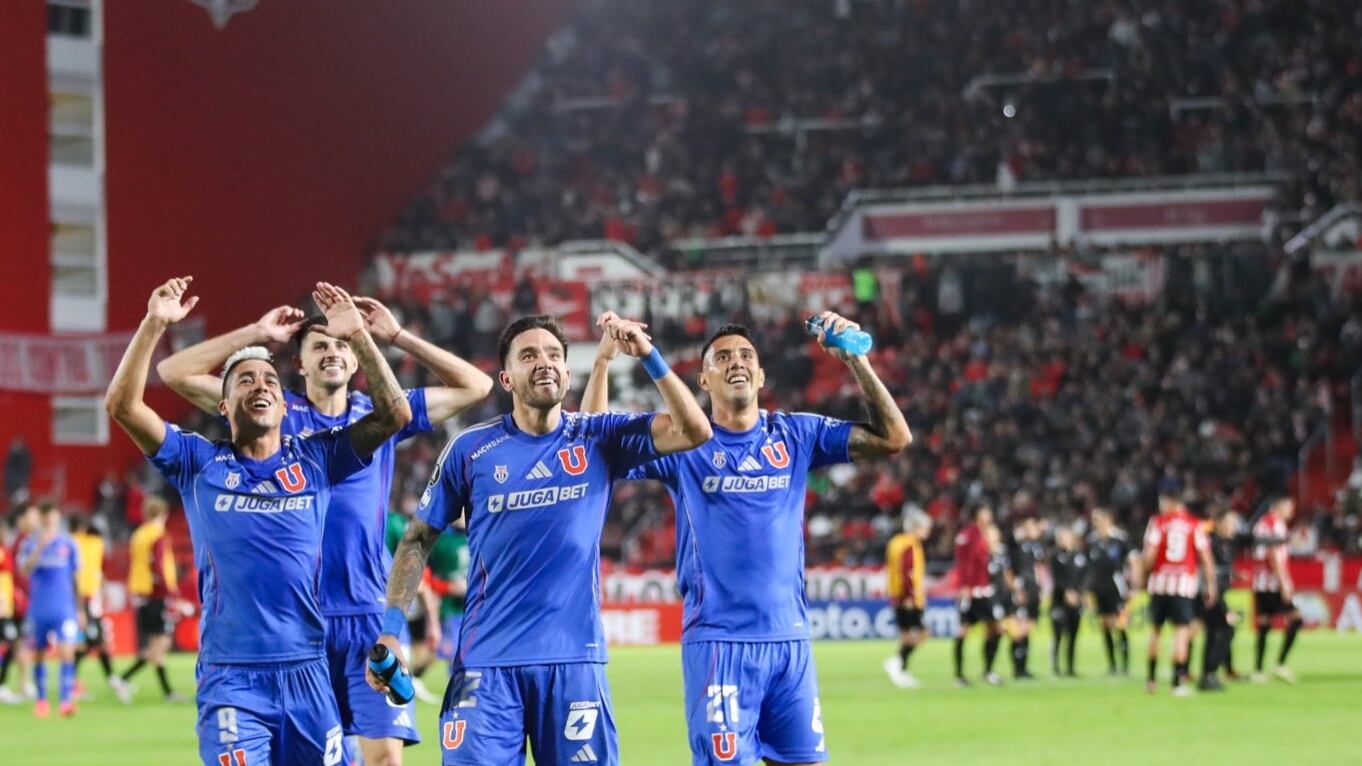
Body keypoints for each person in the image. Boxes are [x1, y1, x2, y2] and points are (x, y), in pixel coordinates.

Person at [158, 294, 492, 765]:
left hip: (365, 614)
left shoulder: (379, 414)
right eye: (320, 346)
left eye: (341, 344)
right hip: (295, 628)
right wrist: (256, 334)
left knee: (385, 759)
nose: (332, 351)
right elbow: (174, 374)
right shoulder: (271, 410)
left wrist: (394, 337)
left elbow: (476, 386)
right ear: (300, 363)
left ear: (356, 357)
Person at [370, 313, 711, 766]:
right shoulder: (471, 450)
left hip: (574, 662)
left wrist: (648, 354)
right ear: (506, 378)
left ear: (569, 373)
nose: (544, 362)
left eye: (554, 354)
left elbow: (694, 430)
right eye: (528, 355)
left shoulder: (597, 438)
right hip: (486, 664)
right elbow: (417, 540)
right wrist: (392, 632)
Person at [105, 276, 411, 765]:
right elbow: (122, 406)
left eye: (270, 380)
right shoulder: (197, 462)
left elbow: (394, 415)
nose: (261, 385)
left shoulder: (317, 460)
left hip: (309, 671)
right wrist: (152, 325)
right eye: (245, 380)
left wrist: (360, 337)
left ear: (283, 402)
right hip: (233, 676)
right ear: (224, 407)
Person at [585, 313, 909, 764]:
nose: (735, 362)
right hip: (719, 644)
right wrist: (602, 363)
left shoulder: (796, 434)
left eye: (745, 356)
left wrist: (857, 362)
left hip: (790, 643)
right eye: (722, 357)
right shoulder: (683, 444)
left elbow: (894, 437)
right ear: (703, 378)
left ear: (760, 375)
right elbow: (592, 444)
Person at [1141, 478, 1217, 696]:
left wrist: (1145, 577)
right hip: (1183, 586)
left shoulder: (1157, 523)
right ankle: (1177, 682)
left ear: (1169, 500)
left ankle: (1151, 681)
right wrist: (1211, 584)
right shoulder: (1194, 524)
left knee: (1155, 632)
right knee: (1180, 634)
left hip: (1159, 584)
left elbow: (1149, 556)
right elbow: (1206, 557)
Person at [117, 495, 185, 703]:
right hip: (157, 595)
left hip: (142, 593)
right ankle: (123, 678)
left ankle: (167, 692)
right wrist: (170, 592)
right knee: (159, 645)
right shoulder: (158, 535)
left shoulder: (138, 534)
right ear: (163, 514)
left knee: (157, 645)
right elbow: (159, 565)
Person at [18, 503, 81, 717]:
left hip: (64, 607)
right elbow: (24, 570)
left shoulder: (68, 544)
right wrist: (39, 548)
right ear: (41, 519)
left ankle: (65, 701)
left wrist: (80, 609)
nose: (49, 521)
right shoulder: (29, 544)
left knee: (67, 652)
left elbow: (75, 578)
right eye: (45, 517)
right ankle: (42, 699)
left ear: (57, 517)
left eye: (52, 516)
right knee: (38, 654)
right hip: (39, 608)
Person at [1250, 496, 1303, 684]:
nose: (1291, 511)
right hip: (1272, 583)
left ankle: (1257, 670)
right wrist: (1284, 583)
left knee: (1264, 624)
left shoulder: (1262, 523)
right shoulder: (1274, 524)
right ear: (1279, 506)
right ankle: (1279, 664)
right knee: (1296, 618)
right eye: (1289, 507)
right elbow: (1274, 556)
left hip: (1260, 582)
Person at [68, 514, 119, 701]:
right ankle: (72, 683)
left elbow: (93, 570)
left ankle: (111, 678)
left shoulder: (75, 543)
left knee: (94, 641)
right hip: (84, 599)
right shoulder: (87, 544)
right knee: (88, 641)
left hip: (85, 598)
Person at [954, 505, 1005, 687]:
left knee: (997, 629)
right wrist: (963, 586)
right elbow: (962, 562)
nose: (989, 515)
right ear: (977, 515)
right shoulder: (968, 535)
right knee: (963, 631)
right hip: (971, 590)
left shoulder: (987, 534)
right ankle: (959, 676)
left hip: (985, 590)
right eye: (986, 512)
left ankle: (988, 671)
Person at [884, 512, 931, 689]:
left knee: (905, 634)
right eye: (925, 528)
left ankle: (901, 671)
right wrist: (910, 597)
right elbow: (908, 573)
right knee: (923, 633)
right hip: (909, 598)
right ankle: (897, 662)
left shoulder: (896, 542)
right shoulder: (910, 546)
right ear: (916, 528)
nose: (927, 532)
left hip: (897, 595)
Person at [1086, 508, 1136, 675]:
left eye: (1098, 519)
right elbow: (1090, 568)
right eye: (1094, 519)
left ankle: (1125, 664)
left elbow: (1133, 561)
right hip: (1099, 588)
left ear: (1108, 519)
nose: (1095, 522)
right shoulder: (1092, 540)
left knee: (1120, 624)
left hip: (1117, 587)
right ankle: (1112, 665)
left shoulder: (1120, 539)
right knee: (1105, 625)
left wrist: (1133, 586)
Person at [1198, 508, 1240, 692]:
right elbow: (1207, 569)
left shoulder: (1223, 543)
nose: (1234, 527)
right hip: (1209, 594)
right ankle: (1209, 673)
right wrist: (1211, 587)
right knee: (1227, 628)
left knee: (1212, 632)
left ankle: (1207, 675)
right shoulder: (1211, 542)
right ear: (1220, 523)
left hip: (1214, 593)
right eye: (1231, 523)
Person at [1007, 516, 1044, 679]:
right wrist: (1016, 589)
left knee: (1028, 629)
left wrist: (1041, 589)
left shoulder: (1037, 547)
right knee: (1018, 630)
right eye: (1028, 527)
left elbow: (1039, 569)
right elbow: (1010, 569)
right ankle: (1017, 667)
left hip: (1033, 591)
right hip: (1021, 590)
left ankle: (1024, 667)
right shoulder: (1017, 546)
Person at [1049, 525, 1087, 678]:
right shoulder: (1055, 555)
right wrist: (1066, 591)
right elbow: (1055, 577)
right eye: (1062, 537)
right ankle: (1055, 666)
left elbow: (1086, 575)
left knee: (1073, 635)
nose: (1065, 540)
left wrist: (1080, 593)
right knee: (1058, 634)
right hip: (1059, 601)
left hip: (1076, 601)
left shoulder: (1079, 556)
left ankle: (1070, 667)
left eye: (1067, 536)